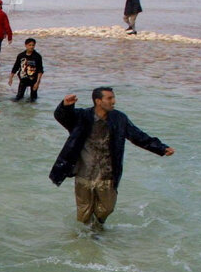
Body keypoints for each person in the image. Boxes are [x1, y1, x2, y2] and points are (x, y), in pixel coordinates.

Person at [48, 87, 175, 229]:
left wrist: (161, 148)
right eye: (109, 98)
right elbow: (62, 116)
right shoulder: (82, 116)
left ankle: (97, 228)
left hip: (107, 174)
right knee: (84, 212)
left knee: (107, 209)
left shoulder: (119, 118)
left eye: (113, 98)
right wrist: (66, 105)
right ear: (98, 101)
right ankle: (84, 239)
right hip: (84, 173)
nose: (113, 101)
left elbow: (137, 136)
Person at [9, 38, 44, 102]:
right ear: (26, 45)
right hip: (23, 79)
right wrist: (11, 78)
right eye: (29, 45)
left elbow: (40, 70)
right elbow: (15, 67)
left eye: (33, 45)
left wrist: (37, 83)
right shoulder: (21, 55)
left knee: (33, 99)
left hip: (34, 80)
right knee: (18, 97)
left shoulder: (37, 56)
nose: (31, 47)